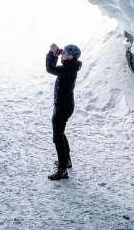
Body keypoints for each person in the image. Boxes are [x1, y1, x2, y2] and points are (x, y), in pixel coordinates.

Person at [45, 42, 82, 180]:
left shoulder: (68, 69)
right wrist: (58, 52)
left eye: (66, 53)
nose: (63, 54)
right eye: (64, 52)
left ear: (72, 57)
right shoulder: (70, 66)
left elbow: (50, 69)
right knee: (60, 134)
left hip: (62, 107)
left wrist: (51, 53)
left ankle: (62, 170)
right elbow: (58, 63)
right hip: (65, 106)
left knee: (57, 137)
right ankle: (66, 161)